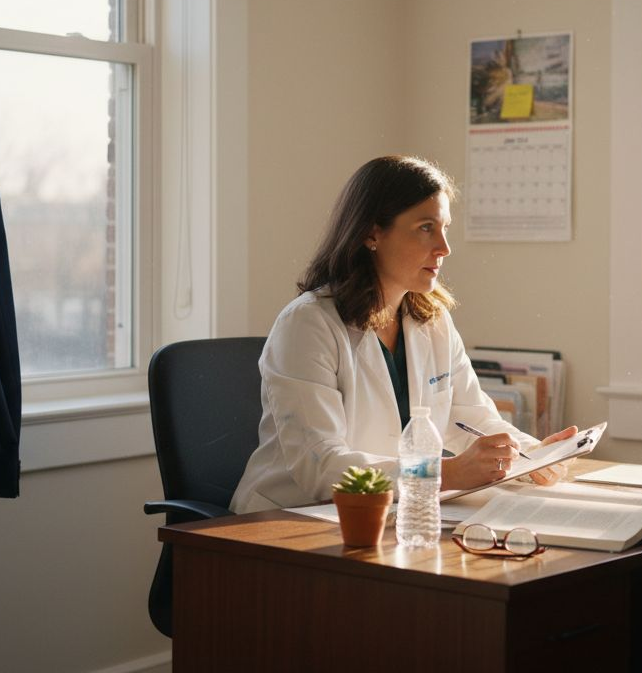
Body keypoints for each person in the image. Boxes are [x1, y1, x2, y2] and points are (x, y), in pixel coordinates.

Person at [230, 155, 576, 513]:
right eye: (426, 227)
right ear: (371, 233)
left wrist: (533, 455)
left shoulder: (433, 320)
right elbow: (322, 467)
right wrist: (447, 473)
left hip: (392, 512)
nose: (444, 247)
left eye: (444, 227)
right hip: (289, 521)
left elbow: (472, 418)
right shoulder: (307, 324)